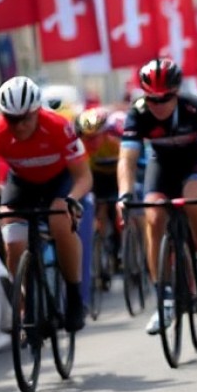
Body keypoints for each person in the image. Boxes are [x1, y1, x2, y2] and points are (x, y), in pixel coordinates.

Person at [118, 59, 197, 335]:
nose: (159, 104)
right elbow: (127, 160)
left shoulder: (195, 108)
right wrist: (124, 193)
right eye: (152, 98)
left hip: (193, 165)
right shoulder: (138, 113)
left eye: (165, 98)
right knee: (153, 214)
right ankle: (162, 297)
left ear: (176, 92)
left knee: (192, 199)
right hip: (161, 165)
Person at [0, 77, 90, 333]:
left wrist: (72, 198)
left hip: (59, 181)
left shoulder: (58, 126)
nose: (19, 126)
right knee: (12, 237)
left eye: (26, 118)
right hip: (22, 182)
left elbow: (83, 176)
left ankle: (73, 296)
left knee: (60, 220)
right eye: (12, 119)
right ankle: (27, 301)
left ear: (37, 111)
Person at [76, 106, 125, 292]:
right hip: (95, 180)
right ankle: (102, 252)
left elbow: (127, 168)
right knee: (99, 211)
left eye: (97, 136)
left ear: (105, 133)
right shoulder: (82, 149)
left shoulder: (115, 144)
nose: (93, 141)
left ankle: (120, 248)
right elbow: (82, 177)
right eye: (88, 137)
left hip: (115, 179)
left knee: (118, 213)